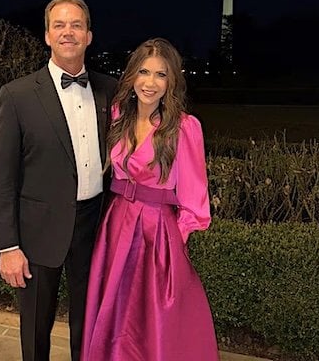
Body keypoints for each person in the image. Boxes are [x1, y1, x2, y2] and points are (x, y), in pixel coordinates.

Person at [0, 0, 117, 361]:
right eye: (59, 25)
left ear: (89, 36)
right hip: (37, 232)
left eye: (76, 25)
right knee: (35, 327)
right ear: (47, 35)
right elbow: (1, 178)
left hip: (94, 226)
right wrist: (8, 246)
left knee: (89, 325)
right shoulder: (17, 96)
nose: (68, 32)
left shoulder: (110, 90)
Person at [80, 38, 220, 361]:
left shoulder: (184, 127)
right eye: (144, 72)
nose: (150, 82)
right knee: (115, 313)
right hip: (116, 226)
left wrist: (172, 242)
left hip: (157, 235)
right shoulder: (118, 116)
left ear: (171, 82)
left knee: (153, 320)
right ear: (132, 76)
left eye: (161, 74)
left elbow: (195, 199)